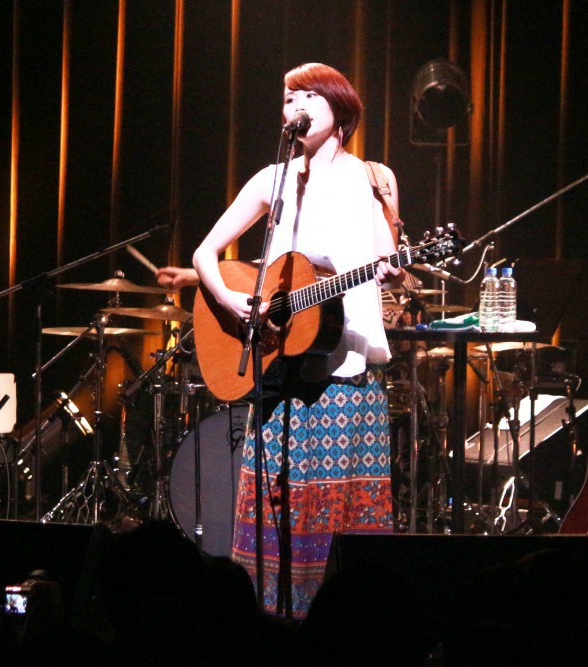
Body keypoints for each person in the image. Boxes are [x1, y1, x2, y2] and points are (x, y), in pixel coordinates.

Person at [191, 62, 405, 618]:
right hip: (280, 373)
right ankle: (267, 625)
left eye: (309, 96)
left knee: (344, 526)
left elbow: (388, 260)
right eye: (289, 99)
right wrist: (231, 299)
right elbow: (205, 252)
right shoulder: (273, 179)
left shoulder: (374, 179)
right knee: (274, 514)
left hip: (345, 373)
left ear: (341, 110)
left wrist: (393, 269)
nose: (296, 106)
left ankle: (342, 627)